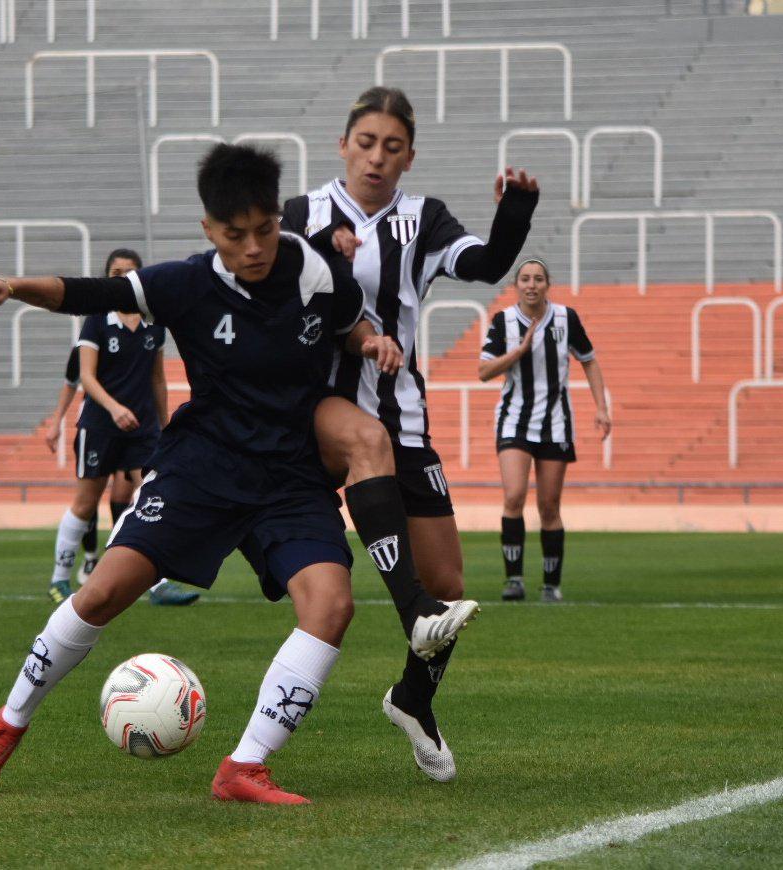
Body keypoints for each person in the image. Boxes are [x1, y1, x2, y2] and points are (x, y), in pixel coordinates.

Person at [0, 144, 469, 804]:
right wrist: (14, 286)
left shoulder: (314, 272)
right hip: (202, 467)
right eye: (234, 235)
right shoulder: (186, 283)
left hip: (289, 478)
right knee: (105, 591)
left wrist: (370, 340)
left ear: (276, 219)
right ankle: (4, 725)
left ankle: (244, 767)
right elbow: (90, 290)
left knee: (331, 605)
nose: (252, 247)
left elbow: (347, 324)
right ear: (208, 231)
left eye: (262, 229)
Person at [280, 85, 539, 780]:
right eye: (365, 142)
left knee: (449, 583)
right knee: (318, 573)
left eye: (392, 147)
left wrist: (513, 214)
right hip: (312, 412)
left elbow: (484, 265)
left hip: (403, 413)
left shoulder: (421, 220)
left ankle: (412, 698)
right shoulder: (302, 213)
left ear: (409, 158)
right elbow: (266, 282)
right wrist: (320, 255)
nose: (376, 157)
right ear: (342, 144)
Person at [41, 250, 200, 607]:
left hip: (141, 429)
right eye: (116, 272)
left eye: (129, 272)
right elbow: (85, 376)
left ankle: (155, 582)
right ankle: (59, 579)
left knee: (148, 502)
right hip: (100, 425)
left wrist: (164, 425)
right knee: (85, 504)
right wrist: (113, 409)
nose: (122, 277)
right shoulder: (97, 319)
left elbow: (158, 378)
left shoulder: (154, 322)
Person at [478, 258, 610, 603]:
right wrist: (518, 352)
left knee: (549, 504)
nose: (531, 284)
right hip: (514, 419)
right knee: (514, 496)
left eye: (538, 279)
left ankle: (551, 584)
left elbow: (589, 360)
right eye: (525, 279)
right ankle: (514, 580)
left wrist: (601, 407)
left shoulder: (566, 318)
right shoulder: (503, 321)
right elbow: (484, 371)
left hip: (555, 422)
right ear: (516, 285)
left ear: (547, 284)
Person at [42, 348, 135, 584]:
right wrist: (55, 423)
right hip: (97, 429)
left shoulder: (143, 333)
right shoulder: (89, 339)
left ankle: (122, 560)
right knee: (88, 500)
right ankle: (91, 557)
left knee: (129, 495)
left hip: (134, 425)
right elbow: (70, 383)